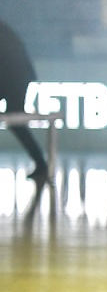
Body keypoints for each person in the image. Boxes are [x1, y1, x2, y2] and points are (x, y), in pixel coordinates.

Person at [0, 17, 49, 183]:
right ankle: (41, 164)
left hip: (15, 78)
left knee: (16, 120)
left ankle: (41, 164)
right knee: (16, 122)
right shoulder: (4, 29)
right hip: (16, 77)